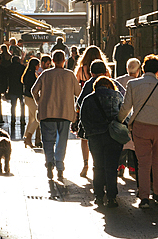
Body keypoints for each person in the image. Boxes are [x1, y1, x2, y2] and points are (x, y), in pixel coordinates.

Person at [118, 54, 158, 208]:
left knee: (143, 163)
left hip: (141, 126)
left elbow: (126, 107)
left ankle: (144, 197)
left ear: (143, 69)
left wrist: (119, 121)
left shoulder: (133, 84)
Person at [31, 49, 81, 181]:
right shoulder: (70, 75)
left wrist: (39, 102)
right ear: (64, 61)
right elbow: (78, 92)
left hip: (47, 112)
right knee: (62, 141)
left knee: (48, 140)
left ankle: (49, 162)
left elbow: (34, 90)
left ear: (52, 61)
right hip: (65, 113)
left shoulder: (46, 74)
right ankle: (59, 166)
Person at [80, 76, 124, 209]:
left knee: (98, 166)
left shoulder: (88, 99)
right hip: (113, 136)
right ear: (110, 86)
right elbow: (125, 115)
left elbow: (84, 118)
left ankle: (98, 196)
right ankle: (111, 197)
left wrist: (90, 132)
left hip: (95, 136)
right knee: (111, 167)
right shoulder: (117, 96)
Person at [76, 45, 108, 177]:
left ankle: (85, 163)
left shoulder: (81, 69)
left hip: (86, 106)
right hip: (102, 107)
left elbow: (76, 83)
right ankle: (99, 163)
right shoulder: (105, 70)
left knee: (84, 138)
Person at [115, 57, 141, 178]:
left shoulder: (118, 80)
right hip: (134, 116)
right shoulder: (139, 82)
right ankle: (132, 167)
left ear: (127, 68)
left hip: (120, 115)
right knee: (133, 144)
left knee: (122, 142)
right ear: (138, 70)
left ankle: (120, 165)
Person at [21, 56, 39, 148]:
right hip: (31, 98)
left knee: (31, 119)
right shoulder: (32, 75)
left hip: (27, 98)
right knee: (37, 118)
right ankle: (28, 138)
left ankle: (26, 138)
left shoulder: (28, 73)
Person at [7, 53, 25, 124]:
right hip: (20, 89)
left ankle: (13, 119)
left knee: (13, 105)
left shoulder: (9, 68)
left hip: (12, 89)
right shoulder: (22, 67)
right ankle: (22, 119)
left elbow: (7, 78)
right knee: (22, 105)